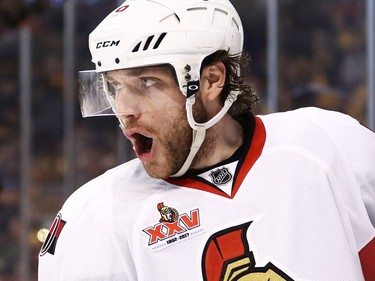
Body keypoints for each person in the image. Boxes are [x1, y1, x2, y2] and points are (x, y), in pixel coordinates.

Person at [38, 0, 375, 280]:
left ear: (211, 80)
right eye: (115, 87)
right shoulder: (97, 216)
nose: (124, 110)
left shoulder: (328, 145)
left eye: (147, 83)